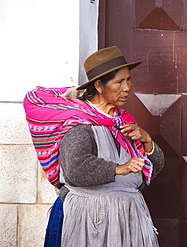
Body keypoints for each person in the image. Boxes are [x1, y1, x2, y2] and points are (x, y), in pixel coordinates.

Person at [24, 46, 164, 246]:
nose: (127, 88)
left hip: (128, 218)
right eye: (119, 82)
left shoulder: (122, 122)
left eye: (129, 79)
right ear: (99, 86)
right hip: (91, 221)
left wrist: (148, 141)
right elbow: (75, 169)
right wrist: (118, 168)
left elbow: (151, 169)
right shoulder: (80, 124)